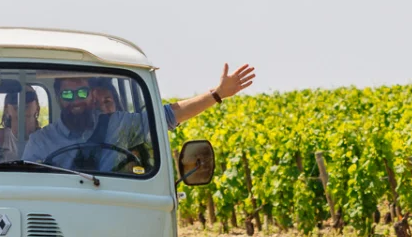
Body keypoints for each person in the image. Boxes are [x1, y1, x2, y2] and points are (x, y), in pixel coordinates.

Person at [21, 62, 255, 169]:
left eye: (81, 92)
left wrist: (217, 94)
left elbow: (167, 117)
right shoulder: (40, 142)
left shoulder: (117, 125)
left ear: (92, 95)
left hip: (115, 208)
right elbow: (30, 188)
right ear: (59, 98)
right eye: (68, 95)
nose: (75, 100)